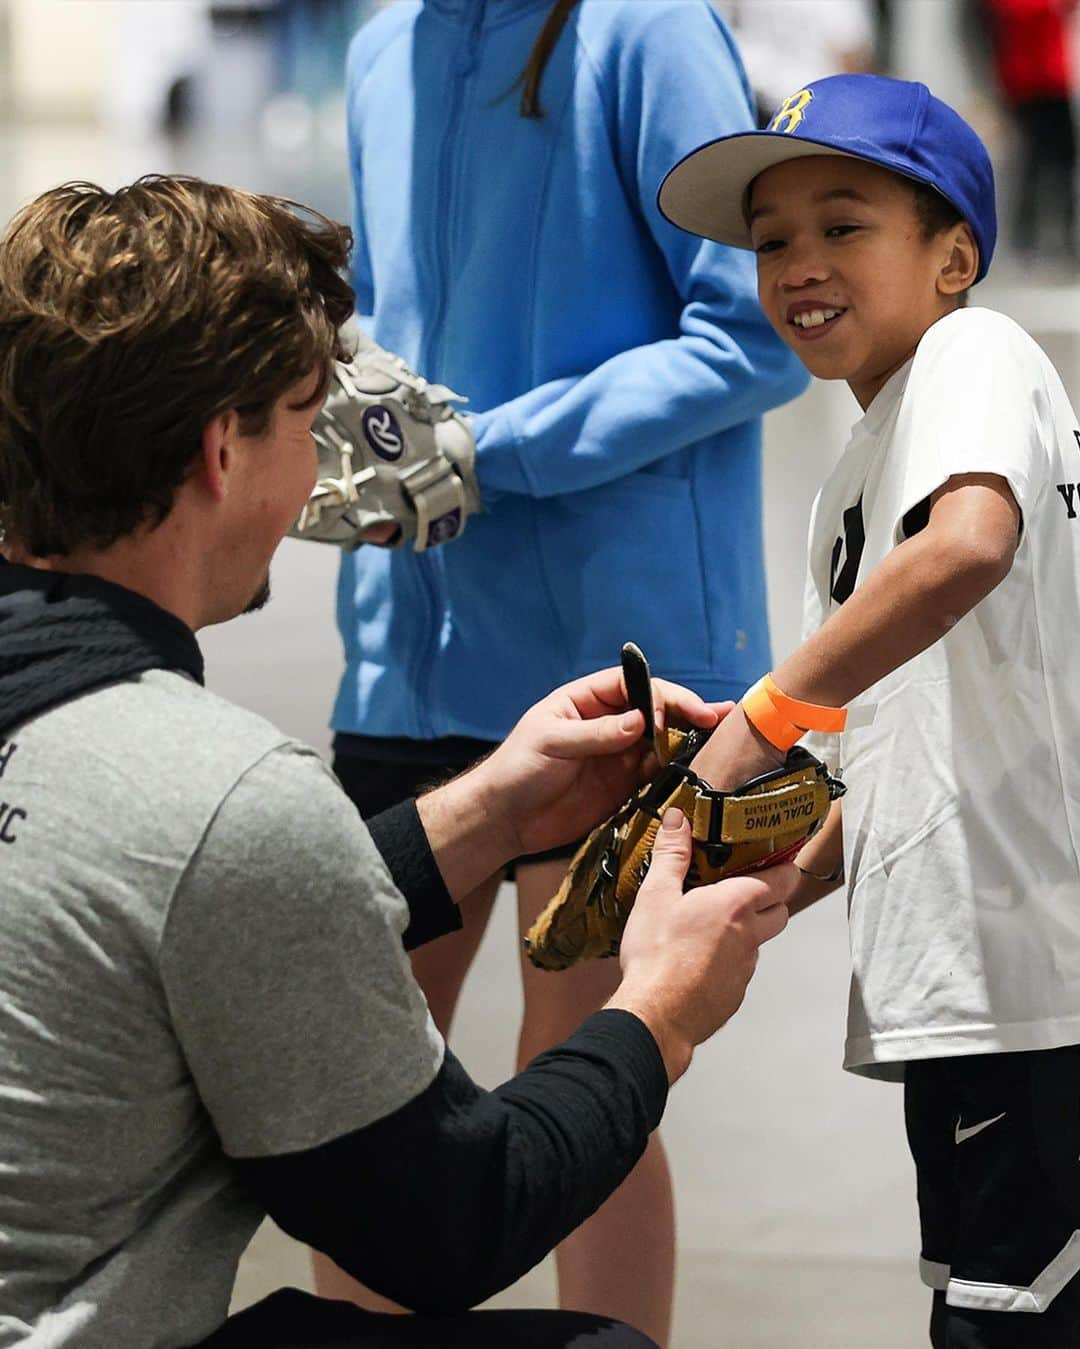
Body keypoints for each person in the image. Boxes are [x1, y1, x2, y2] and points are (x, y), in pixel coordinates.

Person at [0, 174, 796, 1349]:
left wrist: (485, 806)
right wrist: (659, 1009)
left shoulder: (118, 764)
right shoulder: (220, 797)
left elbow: (185, 903)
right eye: (303, 420)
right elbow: (448, 1225)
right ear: (224, 448)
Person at [325, 3, 808, 1335]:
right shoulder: (381, 49)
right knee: (352, 1088)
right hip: (405, 648)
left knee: (588, 1063)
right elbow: (394, 331)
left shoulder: (649, 33)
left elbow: (750, 335)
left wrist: (496, 451)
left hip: (613, 660)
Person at [658, 73, 1080, 1347]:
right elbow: (902, 742)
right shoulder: (855, 470)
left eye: (843, 226)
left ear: (955, 255)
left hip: (1034, 986)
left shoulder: (973, 352)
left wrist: (761, 720)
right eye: (773, 239)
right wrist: (776, 879)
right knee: (979, 1312)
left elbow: (967, 548)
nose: (799, 264)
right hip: (959, 990)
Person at [981, 0, 1079, 264]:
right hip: (1026, 83)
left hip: (1054, 81)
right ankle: (1026, 237)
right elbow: (1016, 14)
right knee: (1031, 163)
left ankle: (1065, 237)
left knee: (1063, 161)